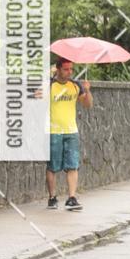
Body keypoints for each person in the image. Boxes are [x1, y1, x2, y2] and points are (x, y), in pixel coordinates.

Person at [46, 58, 93, 209]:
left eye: (71, 69)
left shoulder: (75, 85)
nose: (69, 72)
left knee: (73, 165)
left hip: (71, 131)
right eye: (66, 69)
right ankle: (52, 197)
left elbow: (87, 105)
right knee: (52, 166)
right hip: (53, 131)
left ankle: (71, 197)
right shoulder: (49, 85)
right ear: (58, 69)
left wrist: (87, 90)